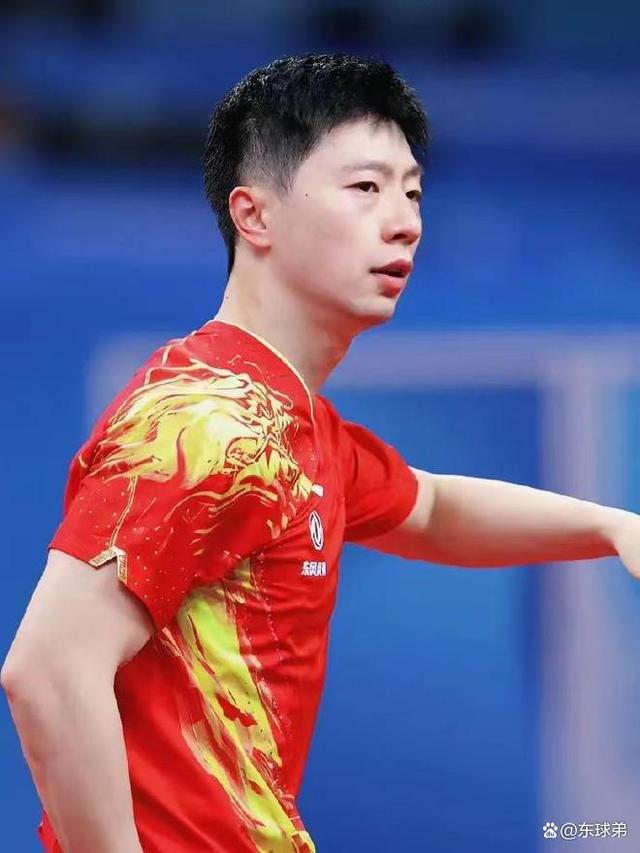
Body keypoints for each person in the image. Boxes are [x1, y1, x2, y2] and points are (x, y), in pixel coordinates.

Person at [2, 52, 639, 853]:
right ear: (254, 216)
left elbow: (433, 507)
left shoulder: (297, 426)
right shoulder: (207, 425)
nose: (404, 221)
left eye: (413, 192)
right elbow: (48, 671)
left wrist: (614, 526)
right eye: (366, 188)